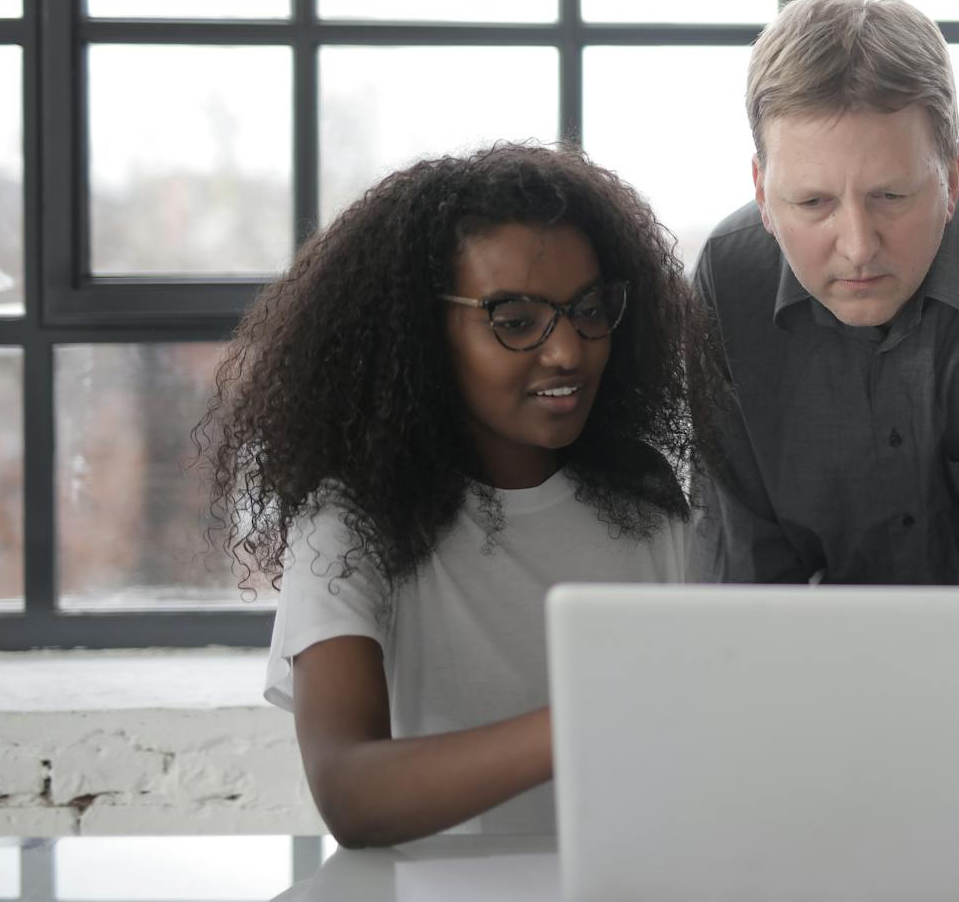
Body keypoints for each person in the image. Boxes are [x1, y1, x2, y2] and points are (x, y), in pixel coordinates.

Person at [201, 143, 712, 846]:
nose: (568, 351)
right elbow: (352, 793)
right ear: (420, 333)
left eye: (589, 308)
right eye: (516, 319)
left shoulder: (643, 496)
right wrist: (586, 715)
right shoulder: (351, 522)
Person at [692, 0, 959, 586]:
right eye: (813, 204)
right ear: (761, 190)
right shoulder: (730, 282)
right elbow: (743, 583)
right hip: (802, 670)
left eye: (891, 195)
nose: (859, 248)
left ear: (953, 174)